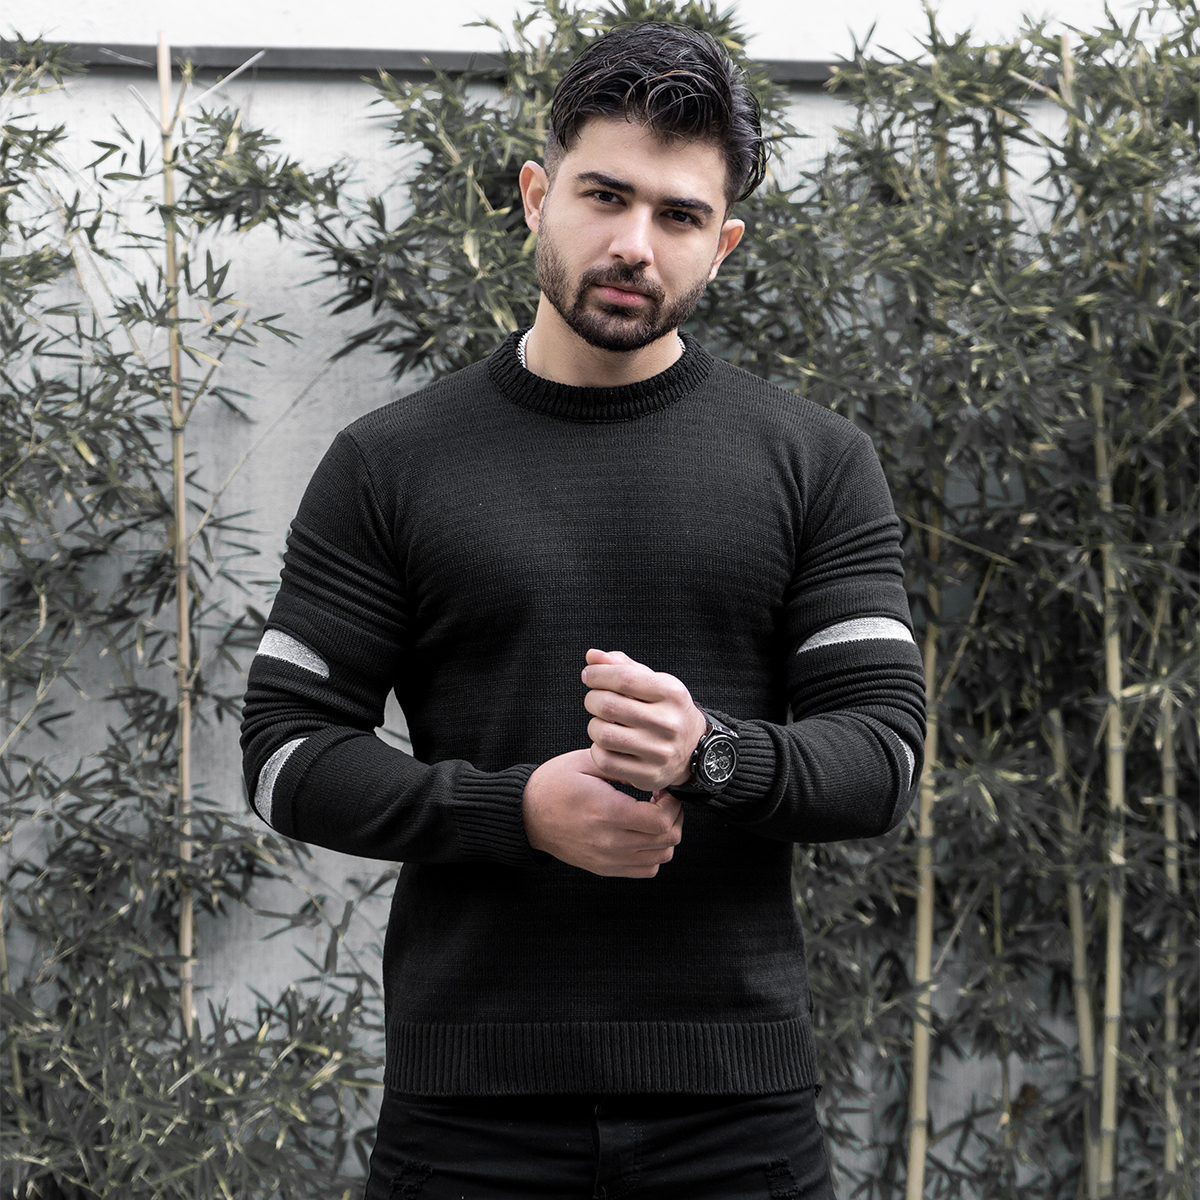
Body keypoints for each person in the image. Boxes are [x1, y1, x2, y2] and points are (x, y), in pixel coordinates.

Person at [241, 21, 925, 1199]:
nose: (633, 244)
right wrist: (517, 811)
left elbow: (886, 761)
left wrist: (712, 752)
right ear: (534, 196)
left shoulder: (816, 462)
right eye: (604, 196)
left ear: (723, 243)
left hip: (737, 1120)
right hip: (468, 1119)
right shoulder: (390, 463)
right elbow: (281, 757)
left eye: (680, 215)